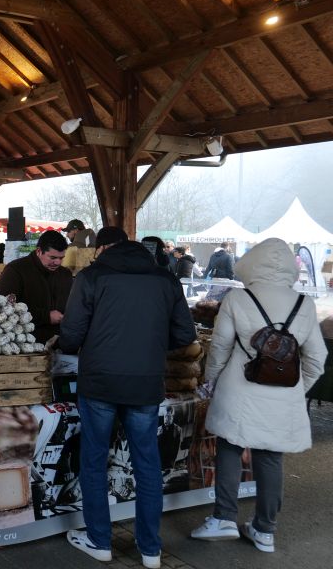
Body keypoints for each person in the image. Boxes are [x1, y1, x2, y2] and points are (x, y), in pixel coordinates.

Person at [58, 230, 196, 568]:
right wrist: (147, 346)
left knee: (94, 460)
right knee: (148, 465)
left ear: (104, 248)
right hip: (146, 384)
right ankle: (151, 550)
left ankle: (99, 540)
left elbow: (71, 335)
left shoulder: (91, 276)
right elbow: (185, 334)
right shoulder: (165, 280)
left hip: (100, 383)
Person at [190, 238, 325, 552]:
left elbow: (220, 348)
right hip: (284, 392)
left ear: (253, 263)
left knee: (229, 447)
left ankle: (223, 518)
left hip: (238, 388)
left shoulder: (238, 298)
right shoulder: (304, 304)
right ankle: (265, 530)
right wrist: (295, 390)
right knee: (271, 457)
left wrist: (211, 381)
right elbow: (317, 360)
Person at [0, 230, 72, 343]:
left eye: (61, 258)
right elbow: (4, 309)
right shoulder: (15, 271)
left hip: (59, 342)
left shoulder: (65, 274)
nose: (58, 263)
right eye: (52, 257)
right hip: (25, 343)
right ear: (39, 251)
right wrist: (46, 317)